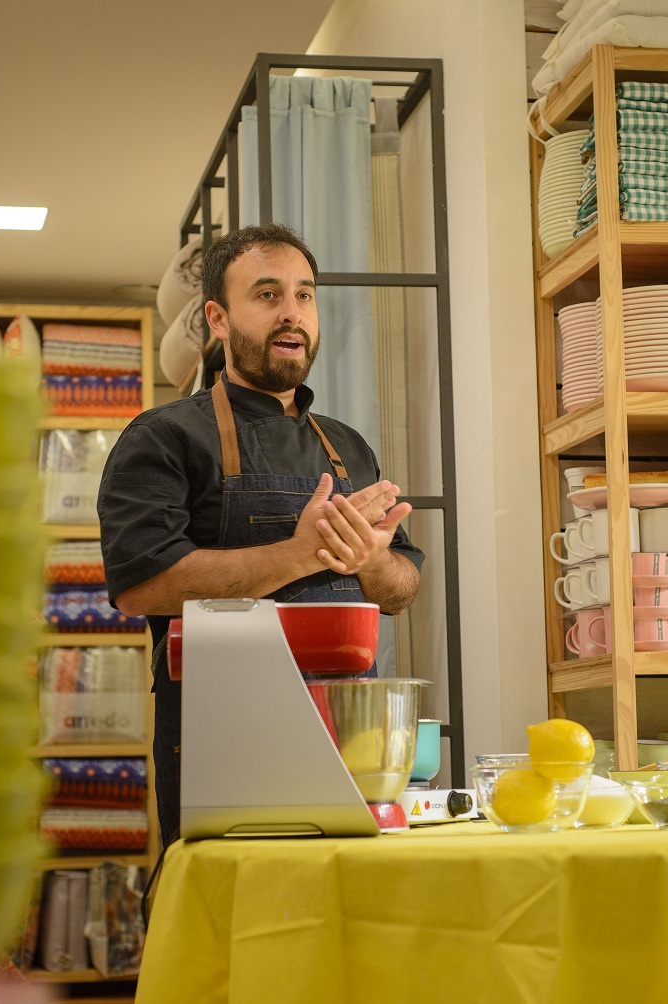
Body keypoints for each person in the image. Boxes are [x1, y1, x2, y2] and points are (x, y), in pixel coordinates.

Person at [98, 223, 424, 846]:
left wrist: (368, 562)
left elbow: (402, 589)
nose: (292, 314)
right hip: (221, 738)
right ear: (218, 319)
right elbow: (142, 587)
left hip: (348, 732)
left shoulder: (346, 446)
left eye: (305, 295)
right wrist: (300, 554)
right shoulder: (164, 438)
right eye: (268, 296)